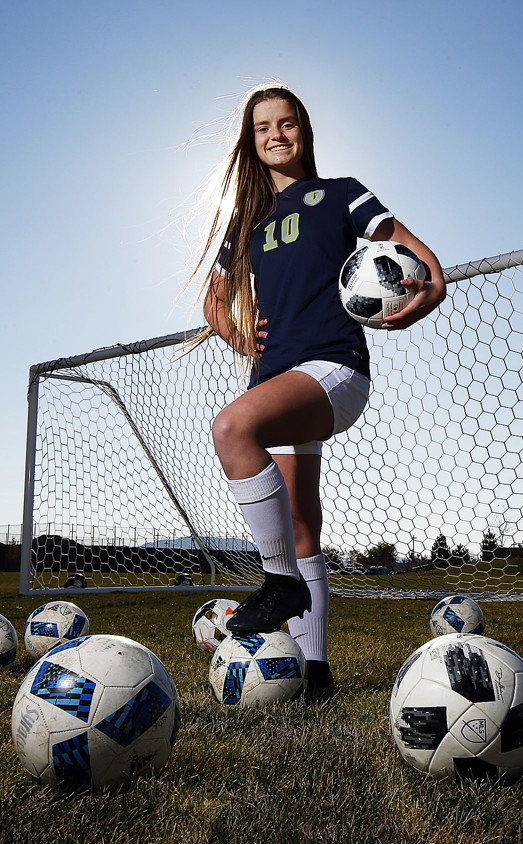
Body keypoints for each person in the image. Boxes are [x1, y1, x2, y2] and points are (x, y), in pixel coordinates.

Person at [189, 84, 445, 701]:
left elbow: (422, 261)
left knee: (231, 429)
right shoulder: (248, 223)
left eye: (287, 123)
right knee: (303, 526)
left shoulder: (340, 194)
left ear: (304, 129)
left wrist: (425, 295)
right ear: (251, 143)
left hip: (332, 369)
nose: (276, 135)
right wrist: (240, 334)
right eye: (262, 128)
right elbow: (214, 298)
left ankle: (277, 584)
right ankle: (317, 669)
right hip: (274, 379)